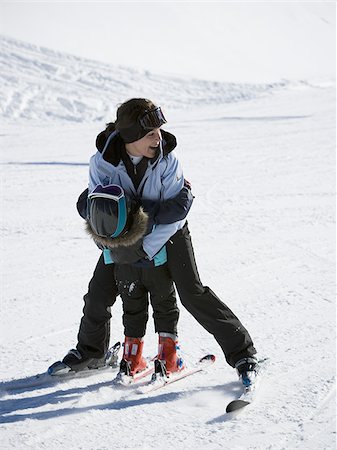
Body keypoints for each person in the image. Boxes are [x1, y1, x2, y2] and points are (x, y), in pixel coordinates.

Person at [53, 98, 258, 388]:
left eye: (159, 131)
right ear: (131, 137)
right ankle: (92, 353)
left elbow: (174, 215)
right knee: (98, 292)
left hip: (170, 233)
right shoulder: (101, 162)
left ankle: (242, 354)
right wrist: (112, 246)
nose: (158, 138)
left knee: (192, 293)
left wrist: (147, 249)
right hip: (123, 238)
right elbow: (102, 213)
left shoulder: (167, 161)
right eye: (150, 133)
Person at [86, 183, 184, 378]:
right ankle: (168, 357)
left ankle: (132, 357)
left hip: (123, 266)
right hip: (155, 263)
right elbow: (170, 219)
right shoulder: (149, 198)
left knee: (132, 309)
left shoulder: (104, 205)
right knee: (164, 305)